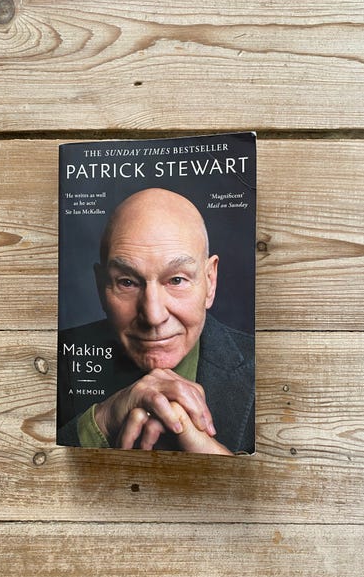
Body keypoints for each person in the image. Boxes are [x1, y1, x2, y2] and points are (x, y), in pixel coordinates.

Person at [57, 188, 254, 454]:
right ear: (101, 287)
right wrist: (100, 422)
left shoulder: (267, 369)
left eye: (176, 280)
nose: (153, 316)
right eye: (127, 282)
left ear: (210, 281)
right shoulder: (55, 360)